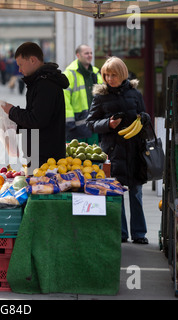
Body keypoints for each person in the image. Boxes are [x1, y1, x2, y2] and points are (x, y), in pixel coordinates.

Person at [86, 56, 150, 244]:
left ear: (122, 74)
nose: (110, 79)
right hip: (112, 152)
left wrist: (145, 118)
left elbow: (144, 116)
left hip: (135, 151)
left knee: (136, 194)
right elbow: (91, 123)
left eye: (114, 75)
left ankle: (139, 234)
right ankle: (121, 232)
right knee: (116, 193)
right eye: (106, 75)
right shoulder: (100, 96)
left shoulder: (134, 93)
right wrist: (108, 124)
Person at [1, 42, 69, 170]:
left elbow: (37, 120)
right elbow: (37, 117)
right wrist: (16, 126)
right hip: (39, 155)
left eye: (20, 65)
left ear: (32, 60)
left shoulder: (45, 84)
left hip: (46, 159)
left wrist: (12, 111)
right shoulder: (38, 82)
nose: (19, 70)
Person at [64, 44, 103, 145]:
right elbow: (64, 100)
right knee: (74, 159)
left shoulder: (96, 73)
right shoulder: (69, 74)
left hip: (93, 126)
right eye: (86, 53)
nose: (90, 55)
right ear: (78, 55)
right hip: (75, 128)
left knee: (93, 158)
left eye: (91, 53)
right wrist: (69, 123)